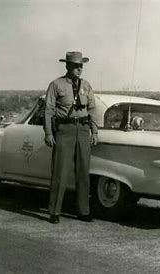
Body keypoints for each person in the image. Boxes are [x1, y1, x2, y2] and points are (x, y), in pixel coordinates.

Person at [44, 51, 98, 224]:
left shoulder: (86, 85)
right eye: (75, 66)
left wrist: (94, 131)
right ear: (67, 66)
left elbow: (92, 109)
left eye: (81, 66)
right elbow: (48, 110)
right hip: (64, 129)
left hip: (82, 129)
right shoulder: (56, 85)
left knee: (83, 172)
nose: (79, 69)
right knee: (60, 171)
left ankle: (84, 211)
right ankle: (54, 211)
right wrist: (48, 133)